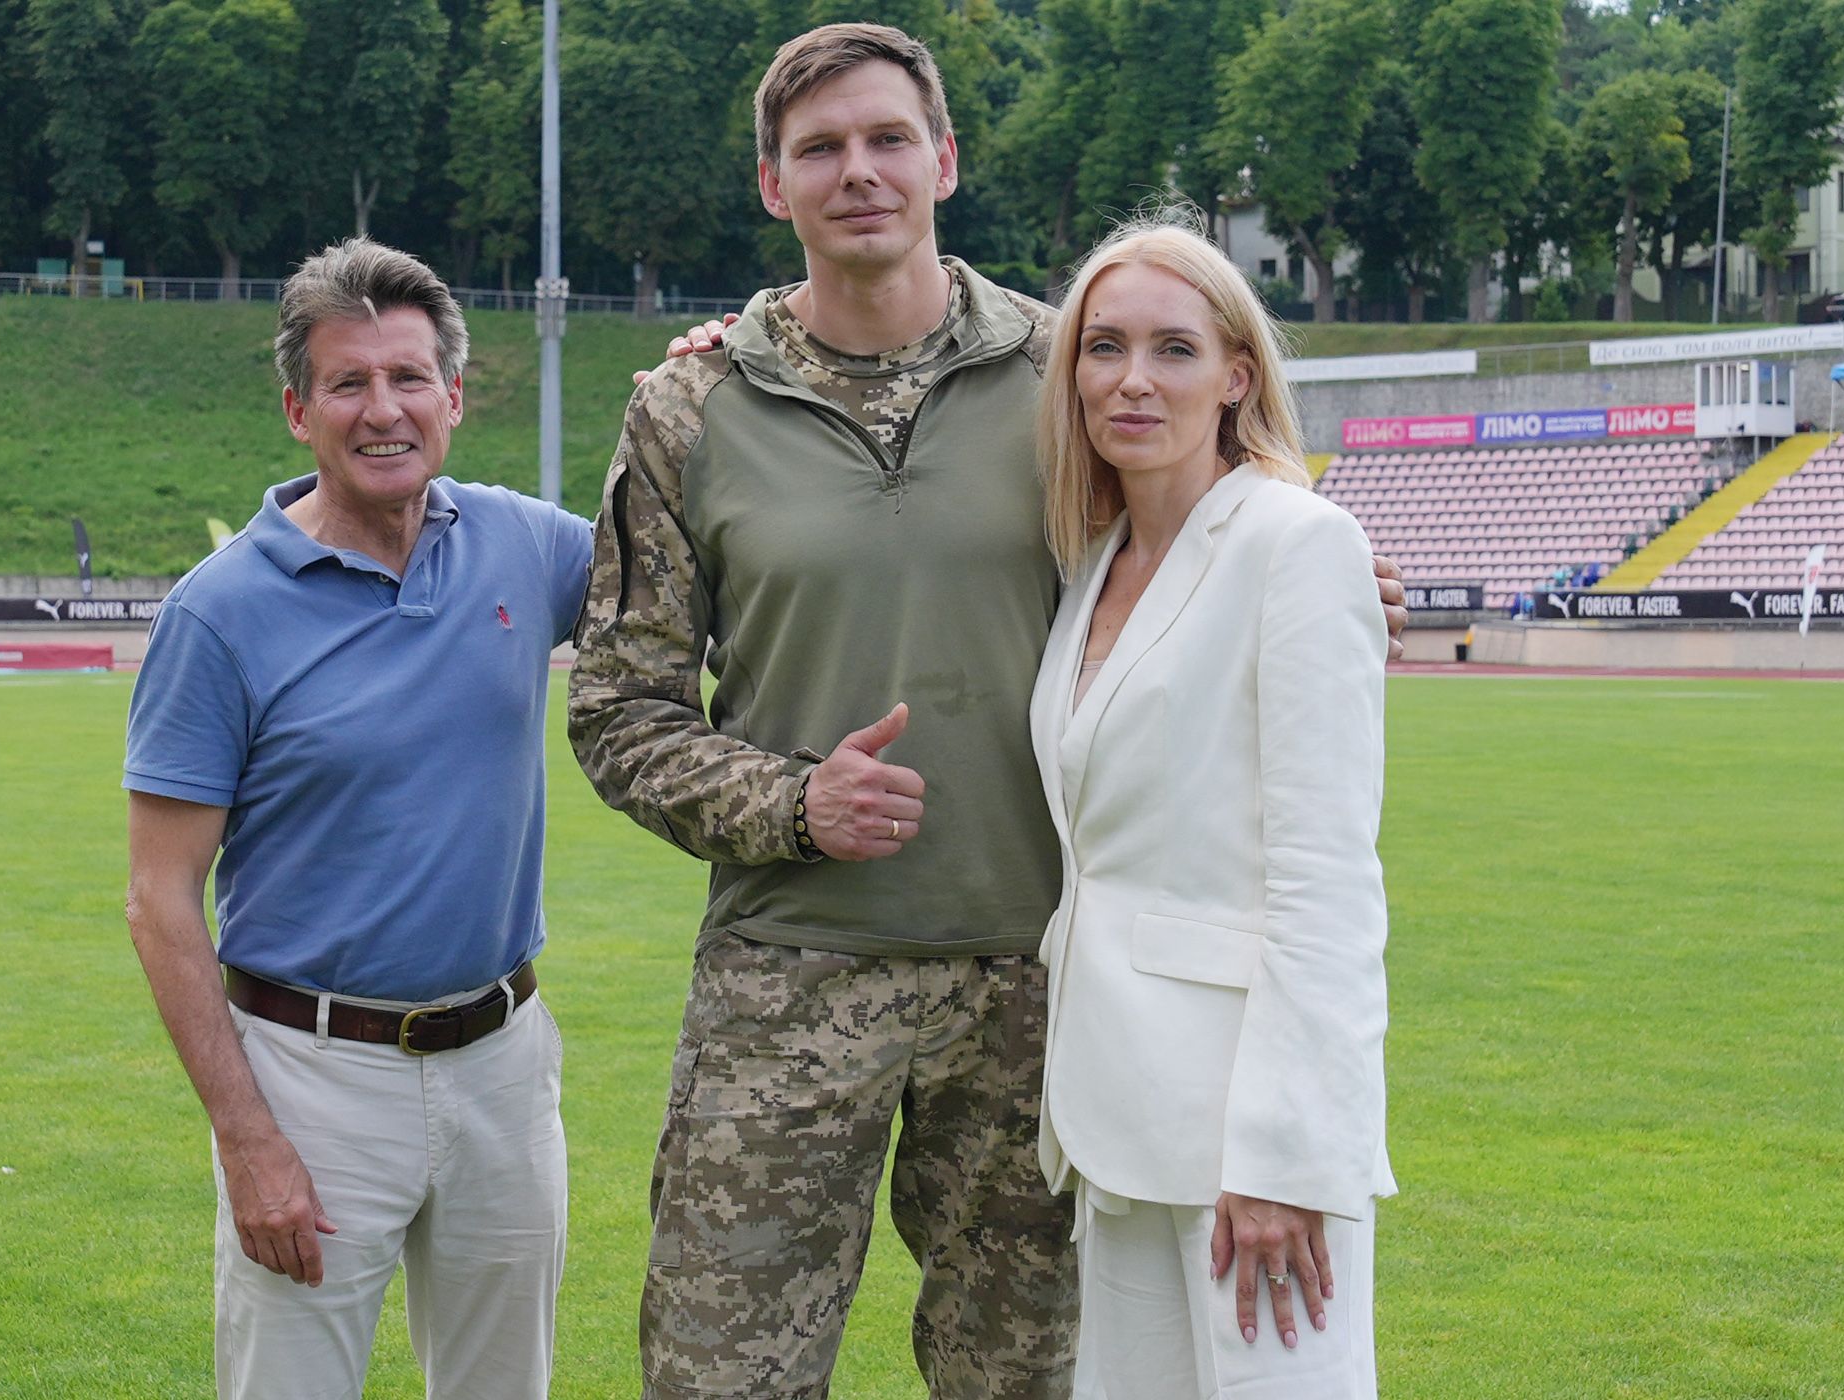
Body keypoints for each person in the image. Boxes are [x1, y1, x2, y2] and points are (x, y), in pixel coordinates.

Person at [569, 23, 1406, 1400]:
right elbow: (616, 709)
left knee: (1028, 1379)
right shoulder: (690, 404)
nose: (860, 173)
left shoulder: (1064, 369)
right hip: (788, 973)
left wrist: (1315, 551)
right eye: (819, 149)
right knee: (718, 1377)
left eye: (889, 139)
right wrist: (791, 804)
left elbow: (1200, 526)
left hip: (1040, 989)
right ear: (772, 187)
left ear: (945, 160)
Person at [124, 238, 588, 1400]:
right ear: (298, 408)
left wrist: (708, 372)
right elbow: (161, 896)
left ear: (454, 397)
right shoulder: (219, 613)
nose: (384, 410)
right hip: (309, 1076)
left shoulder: (525, 544)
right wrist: (247, 1135)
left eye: (409, 378)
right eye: (348, 383)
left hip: (502, 1065)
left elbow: (700, 551)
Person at [1029, 220, 1392, 1399]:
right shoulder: (1091, 567)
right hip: (1113, 1112)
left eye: (1174, 349)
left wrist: (1287, 1153)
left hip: (1248, 1136)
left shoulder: (1297, 543)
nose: (1133, 378)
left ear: (1236, 374)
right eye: (1105, 346)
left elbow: (1326, 878)